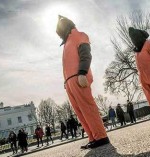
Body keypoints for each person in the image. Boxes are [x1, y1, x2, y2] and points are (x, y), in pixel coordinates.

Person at [56, 15, 109, 149]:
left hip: (78, 77)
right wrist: (66, 81)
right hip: (69, 81)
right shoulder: (67, 42)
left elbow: (86, 54)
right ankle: (93, 137)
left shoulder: (79, 35)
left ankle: (101, 136)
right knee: (80, 112)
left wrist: (82, 72)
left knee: (87, 108)